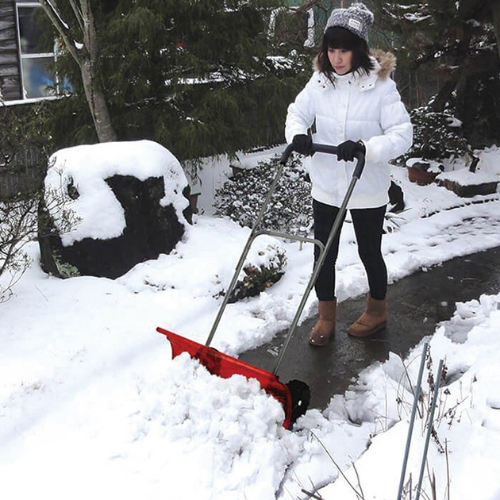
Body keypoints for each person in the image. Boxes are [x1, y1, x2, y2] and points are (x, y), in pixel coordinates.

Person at [285, 2, 412, 346]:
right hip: (326, 184)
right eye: (331, 49)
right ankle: (326, 317)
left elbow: (402, 134)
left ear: (358, 49)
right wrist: (298, 135)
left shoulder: (381, 86)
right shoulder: (319, 82)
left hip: (366, 184)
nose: (337, 57)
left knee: (370, 251)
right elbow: (297, 112)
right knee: (323, 252)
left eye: (344, 50)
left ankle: (377, 311)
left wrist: (366, 148)